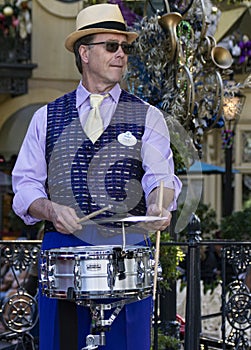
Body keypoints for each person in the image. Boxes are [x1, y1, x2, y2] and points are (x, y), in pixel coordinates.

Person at [12, 3, 182, 350]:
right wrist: (50, 210)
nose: (121, 54)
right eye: (111, 46)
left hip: (127, 253)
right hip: (62, 255)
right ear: (84, 53)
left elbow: (161, 178)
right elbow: (25, 186)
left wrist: (157, 206)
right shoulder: (45, 118)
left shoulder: (148, 117)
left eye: (125, 48)